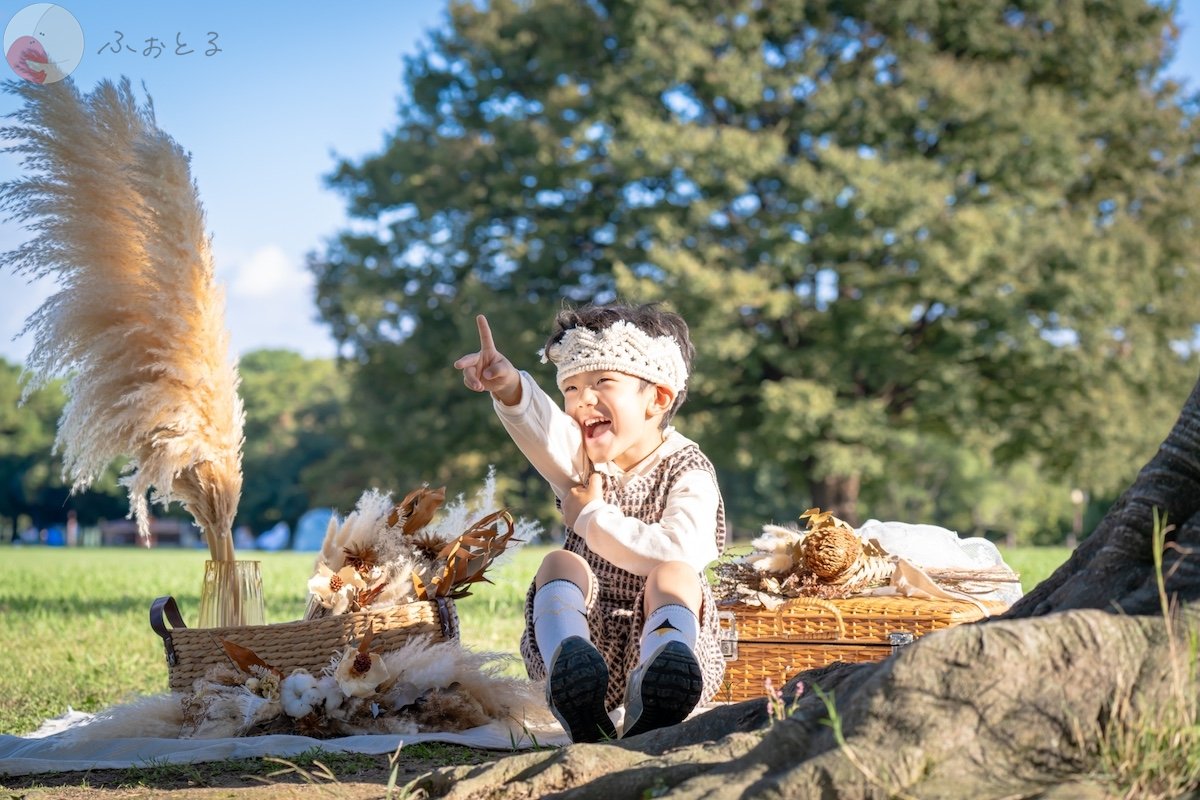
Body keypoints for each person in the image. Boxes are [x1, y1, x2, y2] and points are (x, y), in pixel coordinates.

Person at [454, 303, 727, 742]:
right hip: (590, 638)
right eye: (572, 387)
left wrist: (590, 515)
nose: (582, 399)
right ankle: (573, 678)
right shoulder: (584, 462)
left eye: (603, 382)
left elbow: (683, 549)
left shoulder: (687, 469)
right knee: (558, 565)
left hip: (658, 638)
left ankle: (658, 691)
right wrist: (508, 388)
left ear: (657, 397)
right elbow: (543, 431)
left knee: (675, 575)